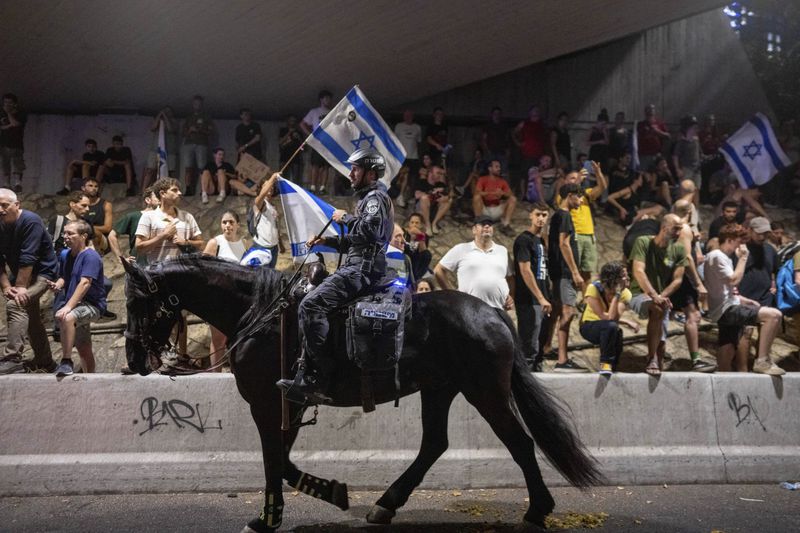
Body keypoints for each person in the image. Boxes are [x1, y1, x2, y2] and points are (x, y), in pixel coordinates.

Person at [277, 148, 393, 404]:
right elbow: (358, 240)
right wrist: (326, 240)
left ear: (371, 173)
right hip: (359, 264)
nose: (351, 174)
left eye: (356, 169)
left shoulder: (375, 198)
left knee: (310, 305)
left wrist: (346, 218)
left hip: (360, 270)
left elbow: (371, 230)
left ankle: (317, 376)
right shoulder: (369, 198)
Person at [705, 224, 785, 375]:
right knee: (774, 316)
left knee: (728, 344)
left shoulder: (723, 257)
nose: (742, 244)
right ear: (729, 240)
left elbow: (724, 288)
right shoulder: (717, 256)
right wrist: (743, 258)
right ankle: (762, 360)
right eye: (739, 240)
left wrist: (742, 299)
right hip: (726, 309)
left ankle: (724, 378)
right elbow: (734, 280)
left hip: (727, 305)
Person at [0, 188, 58, 374]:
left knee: (16, 305)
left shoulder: (30, 221)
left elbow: (28, 257)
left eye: (4, 205)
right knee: (31, 318)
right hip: (20, 275)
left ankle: (13, 359)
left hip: (43, 274)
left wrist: (19, 288)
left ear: (17, 205)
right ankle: (46, 361)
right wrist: (6, 286)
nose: (0, 210)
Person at [629, 214, 686, 375]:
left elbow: (678, 279)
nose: (678, 232)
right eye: (676, 228)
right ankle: (651, 357)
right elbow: (638, 271)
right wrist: (655, 296)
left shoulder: (679, 249)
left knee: (662, 343)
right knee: (658, 308)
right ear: (664, 227)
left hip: (661, 297)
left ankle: (656, 361)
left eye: (680, 229)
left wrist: (662, 295)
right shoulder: (644, 242)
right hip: (638, 293)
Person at [48, 220, 106, 376]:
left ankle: (66, 361)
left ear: (83, 236)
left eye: (70, 233)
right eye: (64, 233)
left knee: (67, 318)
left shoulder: (91, 256)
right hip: (75, 304)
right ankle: (91, 378)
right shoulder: (65, 255)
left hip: (92, 305)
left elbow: (85, 283)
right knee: (84, 348)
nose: (66, 236)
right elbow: (64, 277)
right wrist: (58, 285)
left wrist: (67, 307)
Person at [548, 183, 588, 373]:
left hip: (559, 272)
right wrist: (575, 272)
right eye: (579, 197)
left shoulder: (558, 215)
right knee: (568, 312)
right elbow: (564, 244)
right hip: (564, 272)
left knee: (557, 310)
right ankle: (562, 360)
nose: (581, 201)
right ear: (570, 195)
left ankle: (547, 346)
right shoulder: (564, 215)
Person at [435, 215, 513, 310]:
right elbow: (438, 270)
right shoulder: (461, 249)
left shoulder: (503, 251)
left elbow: (510, 277)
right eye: (483, 224)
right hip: (470, 310)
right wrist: (453, 295)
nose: (487, 226)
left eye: (490, 224)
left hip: (498, 309)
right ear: (474, 230)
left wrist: (510, 296)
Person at [203, 211, 247, 371]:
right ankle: (216, 374)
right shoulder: (215, 243)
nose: (227, 225)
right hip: (219, 296)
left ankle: (237, 372)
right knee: (218, 339)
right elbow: (203, 270)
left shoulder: (244, 243)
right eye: (224, 222)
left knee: (238, 337)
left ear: (237, 225)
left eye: (231, 222)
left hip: (238, 297)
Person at [580, 261, 640, 375]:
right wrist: (617, 295)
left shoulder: (626, 293)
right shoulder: (594, 288)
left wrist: (618, 294)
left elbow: (614, 317)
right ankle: (605, 363)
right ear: (614, 279)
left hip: (607, 325)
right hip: (589, 326)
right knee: (611, 326)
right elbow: (606, 317)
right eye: (623, 275)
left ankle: (613, 367)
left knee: (617, 332)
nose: (627, 278)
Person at [513, 202, 551, 371]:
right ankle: (524, 381)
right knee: (528, 346)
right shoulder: (524, 240)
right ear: (530, 216)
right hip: (529, 299)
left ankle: (536, 377)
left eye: (544, 215)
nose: (541, 218)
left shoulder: (541, 240)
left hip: (542, 298)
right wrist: (540, 297)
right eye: (538, 214)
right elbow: (525, 270)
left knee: (540, 344)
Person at [554, 162, 607, 283]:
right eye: (572, 178)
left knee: (587, 272)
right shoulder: (562, 196)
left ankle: (585, 300)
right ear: (565, 181)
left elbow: (602, 187)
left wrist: (598, 173)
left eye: (576, 177)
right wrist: (578, 180)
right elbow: (562, 202)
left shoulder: (585, 194)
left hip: (589, 235)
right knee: (572, 269)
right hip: (574, 235)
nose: (576, 179)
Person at [108, 186, 159, 264]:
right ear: (148, 200)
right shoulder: (133, 216)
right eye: (157, 196)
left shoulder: (167, 217)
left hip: (160, 264)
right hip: (139, 265)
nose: (161, 199)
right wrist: (120, 258)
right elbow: (112, 236)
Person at [242, 173, 282, 269]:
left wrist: (280, 244)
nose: (270, 187)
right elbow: (262, 195)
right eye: (266, 185)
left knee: (270, 274)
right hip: (262, 247)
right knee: (260, 275)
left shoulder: (273, 207)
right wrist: (273, 178)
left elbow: (275, 227)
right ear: (261, 188)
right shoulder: (260, 203)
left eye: (272, 185)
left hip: (274, 248)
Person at [181, 95, 215, 196]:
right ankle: (188, 189)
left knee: (202, 168)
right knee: (188, 167)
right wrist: (190, 130)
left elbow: (211, 131)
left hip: (201, 144)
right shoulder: (188, 117)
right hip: (189, 144)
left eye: (199, 103)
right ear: (193, 104)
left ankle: (203, 190)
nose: (197, 105)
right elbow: (183, 133)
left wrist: (200, 130)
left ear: (202, 104)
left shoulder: (206, 117)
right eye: (195, 103)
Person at [300, 90, 333, 194]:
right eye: (326, 98)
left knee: (326, 166)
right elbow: (302, 124)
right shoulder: (314, 112)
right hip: (317, 141)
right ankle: (313, 186)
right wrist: (311, 134)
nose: (328, 100)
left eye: (329, 98)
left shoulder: (332, 112)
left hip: (328, 141)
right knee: (315, 164)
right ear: (321, 100)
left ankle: (323, 187)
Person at [473, 159, 517, 236]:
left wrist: (502, 193)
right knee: (476, 197)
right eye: (496, 167)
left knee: (513, 199)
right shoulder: (482, 179)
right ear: (490, 169)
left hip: (497, 210)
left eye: (499, 167)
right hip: (485, 210)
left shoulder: (502, 181)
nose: (499, 169)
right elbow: (477, 192)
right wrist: (492, 193)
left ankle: (506, 225)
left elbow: (510, 194)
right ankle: (479, 224)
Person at [142, 106, 177, 190]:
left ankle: (171, 189)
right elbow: (153, 127)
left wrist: (165, 117)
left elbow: (170, 129)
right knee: (150, 170)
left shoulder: (174, 121)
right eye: (165, 111)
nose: (166, 113)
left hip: (169, 151)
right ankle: (144, 190)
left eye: (169, 112)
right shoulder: (158, 121)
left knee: (171, 171)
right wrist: (159, 115)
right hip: (155, 149)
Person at [414, 164, 452, 235]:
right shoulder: (422, 182)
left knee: (449, 200)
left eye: (440, 174)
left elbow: (447, 197)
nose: (440, 175)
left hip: (433, 209)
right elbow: (417, 195)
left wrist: (443, 197)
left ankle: (434, 223)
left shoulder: (440, 185)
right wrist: (433, 194)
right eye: (438, 173)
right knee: (424, 198)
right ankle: (427, 225)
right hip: (421, 210)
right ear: (430, 173)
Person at [0, 93, 26, 192]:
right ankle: (6, 183)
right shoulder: (1, 113)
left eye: (9, 103)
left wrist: (9, 113)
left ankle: (17, 183)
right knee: (5, 163)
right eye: (5, 102)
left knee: (17, 163)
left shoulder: (21, 113)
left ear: (14, 104)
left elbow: (16, 124)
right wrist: (9, 125)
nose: (7, 105)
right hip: (3, 143)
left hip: (16, 143)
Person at [81, 176, 112, 254]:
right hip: (83, 235)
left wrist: (89, 228)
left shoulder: (106, 204)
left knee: (94, 231)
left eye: (96, 186)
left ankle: (95, 254)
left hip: (101, 238)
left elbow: (108, 228)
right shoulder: (80, 204)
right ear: (83, 188)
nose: (94, 188)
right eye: (90, 186)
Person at [636, 104, 670, 171]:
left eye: (651, 109)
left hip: (656, 155)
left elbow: (668, 136)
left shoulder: (660, 123)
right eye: (648, 110)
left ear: (654, 111)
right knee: (643, 175)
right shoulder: (640, 125)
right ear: (645, 112)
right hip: (643, 156)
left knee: (657, 174)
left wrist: (658, 132)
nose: (650, 111)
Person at [395, 110, 423, 192]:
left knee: (413, 177)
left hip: (414, 156)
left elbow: (419, 142)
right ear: (404, 116)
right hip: (402, 156)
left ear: (412, 117)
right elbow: (395, 141)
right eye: (406, 115)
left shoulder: (417, 127)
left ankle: (410, 195)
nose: (408, 117)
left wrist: (420, 156)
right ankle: (399, 194)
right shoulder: (399, 126)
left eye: (410, 115)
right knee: (401, 176)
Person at [480, 106, 512, 174]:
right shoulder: (488, 125)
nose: (497, 116)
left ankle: (501, 184)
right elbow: (484, 139)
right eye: (495, 114)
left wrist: (508, 150)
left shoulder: (504, 126)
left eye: (498, 114)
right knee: (488, 170)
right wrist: (486, 150)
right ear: (492, 115)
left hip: (501, 152)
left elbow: (507, 139)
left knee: (503, 171)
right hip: (490, 152)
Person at [404, 212, 432, 283]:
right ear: (409, 224)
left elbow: (423, 253)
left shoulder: (424, 236)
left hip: (416, 262)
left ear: (421, 225)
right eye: (412, 222)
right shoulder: (404, 234)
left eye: (417, 223)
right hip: (405, 260)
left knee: (427, 255)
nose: (414, 225)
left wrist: (419, 235)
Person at [278, 114, 304, 183]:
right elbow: (280, 142)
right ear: (287, 121)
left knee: (295, 177)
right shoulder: (283, 130)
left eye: (294, 121)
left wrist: (299, 138)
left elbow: (303, 147)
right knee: (283, 176)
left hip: (295, 157)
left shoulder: (299, 132)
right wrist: (289, 132)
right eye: (291, 120)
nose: (292, 122)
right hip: (284, 156)